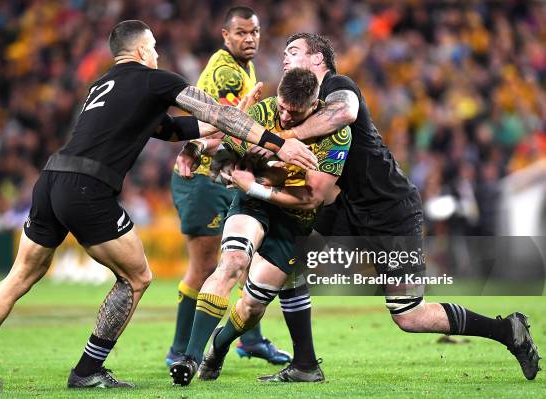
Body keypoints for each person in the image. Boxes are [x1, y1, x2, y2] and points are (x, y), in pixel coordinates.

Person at [0, 20, 318, 389]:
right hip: (87, 187)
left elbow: (172, 129)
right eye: (153, 46)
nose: (156, 52)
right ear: (140, 50)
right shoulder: (156, 79)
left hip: (51, 179)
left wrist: (235, 115)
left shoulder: (101, 85)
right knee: (137, 278)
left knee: (19, 276)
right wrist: (278, 142)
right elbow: (215, 114)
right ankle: (88, 369)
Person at [265, 32, 541, 382]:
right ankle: (304, 364)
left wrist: (283, 141)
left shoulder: (338, 84)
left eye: (293, 51)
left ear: (318, 59)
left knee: (408, 315)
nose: (285, 58)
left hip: (390, 209)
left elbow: (346, 112)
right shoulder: (297, 105)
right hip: (350, 207)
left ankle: (508, 331)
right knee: (290, 252)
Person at [169, 68, 349, 386]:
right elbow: (227, 143)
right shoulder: (264, 111)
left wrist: (255, 186)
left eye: (294, 113)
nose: (285, 117)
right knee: (233, 261)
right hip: (253, 204)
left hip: (294, 219)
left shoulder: (336, 134)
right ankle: (190, 358)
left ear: (314, 106)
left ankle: (217, 349)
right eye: (282, 108)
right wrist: (195, 147)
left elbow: (311, 199)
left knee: (251, 306)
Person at [167, 6, 290, 368]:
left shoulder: (242, 67)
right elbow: (222, 124)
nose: (249, 39)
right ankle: (179, 348)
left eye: (254, 32)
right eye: (240, 33)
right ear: (225, 35)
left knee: (240, 258)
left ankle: (249, 340)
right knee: (206, 264)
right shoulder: (227, 73)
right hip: (204, 177)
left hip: (222, 174)